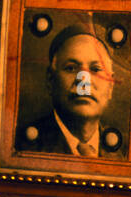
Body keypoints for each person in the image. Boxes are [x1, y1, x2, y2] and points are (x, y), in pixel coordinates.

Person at [18, 25, 122, 158]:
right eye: (71, 68)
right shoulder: (25, 148)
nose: (84, 82)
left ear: (110, 87)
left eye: (95, 69)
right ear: (50, 80)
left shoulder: (121, 153)